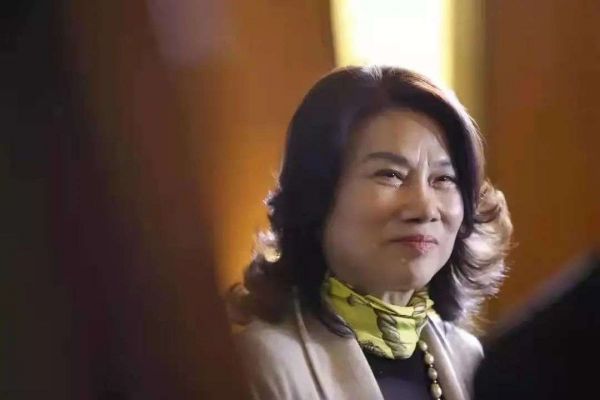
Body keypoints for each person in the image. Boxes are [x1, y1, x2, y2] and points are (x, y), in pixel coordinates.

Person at [228, 66, 513, 400]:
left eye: (444, 179)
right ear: (316, 195)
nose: (424, 208)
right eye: (390, 174)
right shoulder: (260, 365)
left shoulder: (469, 358)